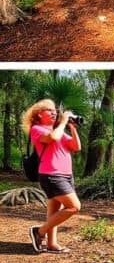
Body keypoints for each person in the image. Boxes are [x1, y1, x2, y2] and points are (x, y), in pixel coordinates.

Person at [23, 99, 81, 254]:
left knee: (54, 212)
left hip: (66, 175)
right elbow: (52, 138)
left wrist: (72, 128)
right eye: (49, 110)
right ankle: (39, 232)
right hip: (51, 175)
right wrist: (63, 123)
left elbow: (76, 147)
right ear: (39, 115)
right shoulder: (37, 129)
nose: (54, 112)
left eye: (55, 110)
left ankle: (51, 244)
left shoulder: (59, 130)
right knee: (74, 206)